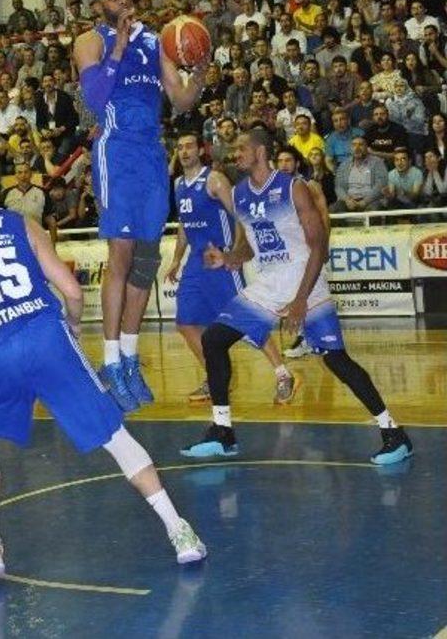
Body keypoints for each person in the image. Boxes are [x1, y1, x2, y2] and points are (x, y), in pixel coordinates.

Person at [0, 151, 207, 576]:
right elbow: (72, 293)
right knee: (113, 433)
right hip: (46, 337)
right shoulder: (24, 225)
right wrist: (74, 325)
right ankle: (179, 530)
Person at [181, 127, 412, 467]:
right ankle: (223, 431)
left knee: (336, 360)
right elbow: (249, 246)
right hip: (271, 281)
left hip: (306, 276)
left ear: (260, 151)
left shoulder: (293, 187)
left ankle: (393, 432)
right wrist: (228, 258)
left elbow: (318, 244)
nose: (236, 154)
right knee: (214, 340)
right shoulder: (242, 193)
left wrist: (302, 299)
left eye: (242, 147)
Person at [73, 0, 207, 412]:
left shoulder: (156, 41)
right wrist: (118, 48)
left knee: (146, 265)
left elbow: (182, 101)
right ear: (99, 6)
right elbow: (93, 100)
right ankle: (110, 362)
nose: (122, 1)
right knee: (122, 257)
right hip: (117, 151)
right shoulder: (90, 40)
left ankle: (130, 358)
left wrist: (200, 69)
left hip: (151, 155)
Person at [166, 133, 299, 405]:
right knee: (185, 322)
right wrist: (177, 259)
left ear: (201, 150)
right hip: (196, 262)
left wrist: (234, 252)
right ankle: (215, 376)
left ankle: (284, 373)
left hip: (220, 261)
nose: (184, 151)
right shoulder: (179, 184)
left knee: (244, 320)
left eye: (189, 146)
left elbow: (241, 216)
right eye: (179, 147)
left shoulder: (214, 180)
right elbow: (183, 225)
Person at [275, 145, 330, 361]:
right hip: (290, 251)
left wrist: (323, 247)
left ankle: (311, 340)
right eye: (280, 161)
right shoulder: (276, 190)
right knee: (293, 296)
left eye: (288, 161)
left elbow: (324, 216)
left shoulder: (309, 185)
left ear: (297, 164)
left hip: (310, 249)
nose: (284, 165)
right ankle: (307, 338)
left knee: (310, 294)